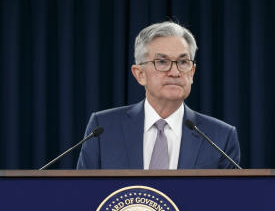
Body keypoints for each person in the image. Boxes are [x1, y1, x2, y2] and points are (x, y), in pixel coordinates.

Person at [77, 21, 240, 169]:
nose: (175, 72)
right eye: (162, 62)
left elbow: (229, 200)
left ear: (192, 72)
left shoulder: (220, 137)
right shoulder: (103, 128)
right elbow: (83, 194)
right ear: (139, 74)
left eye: (183, 62)